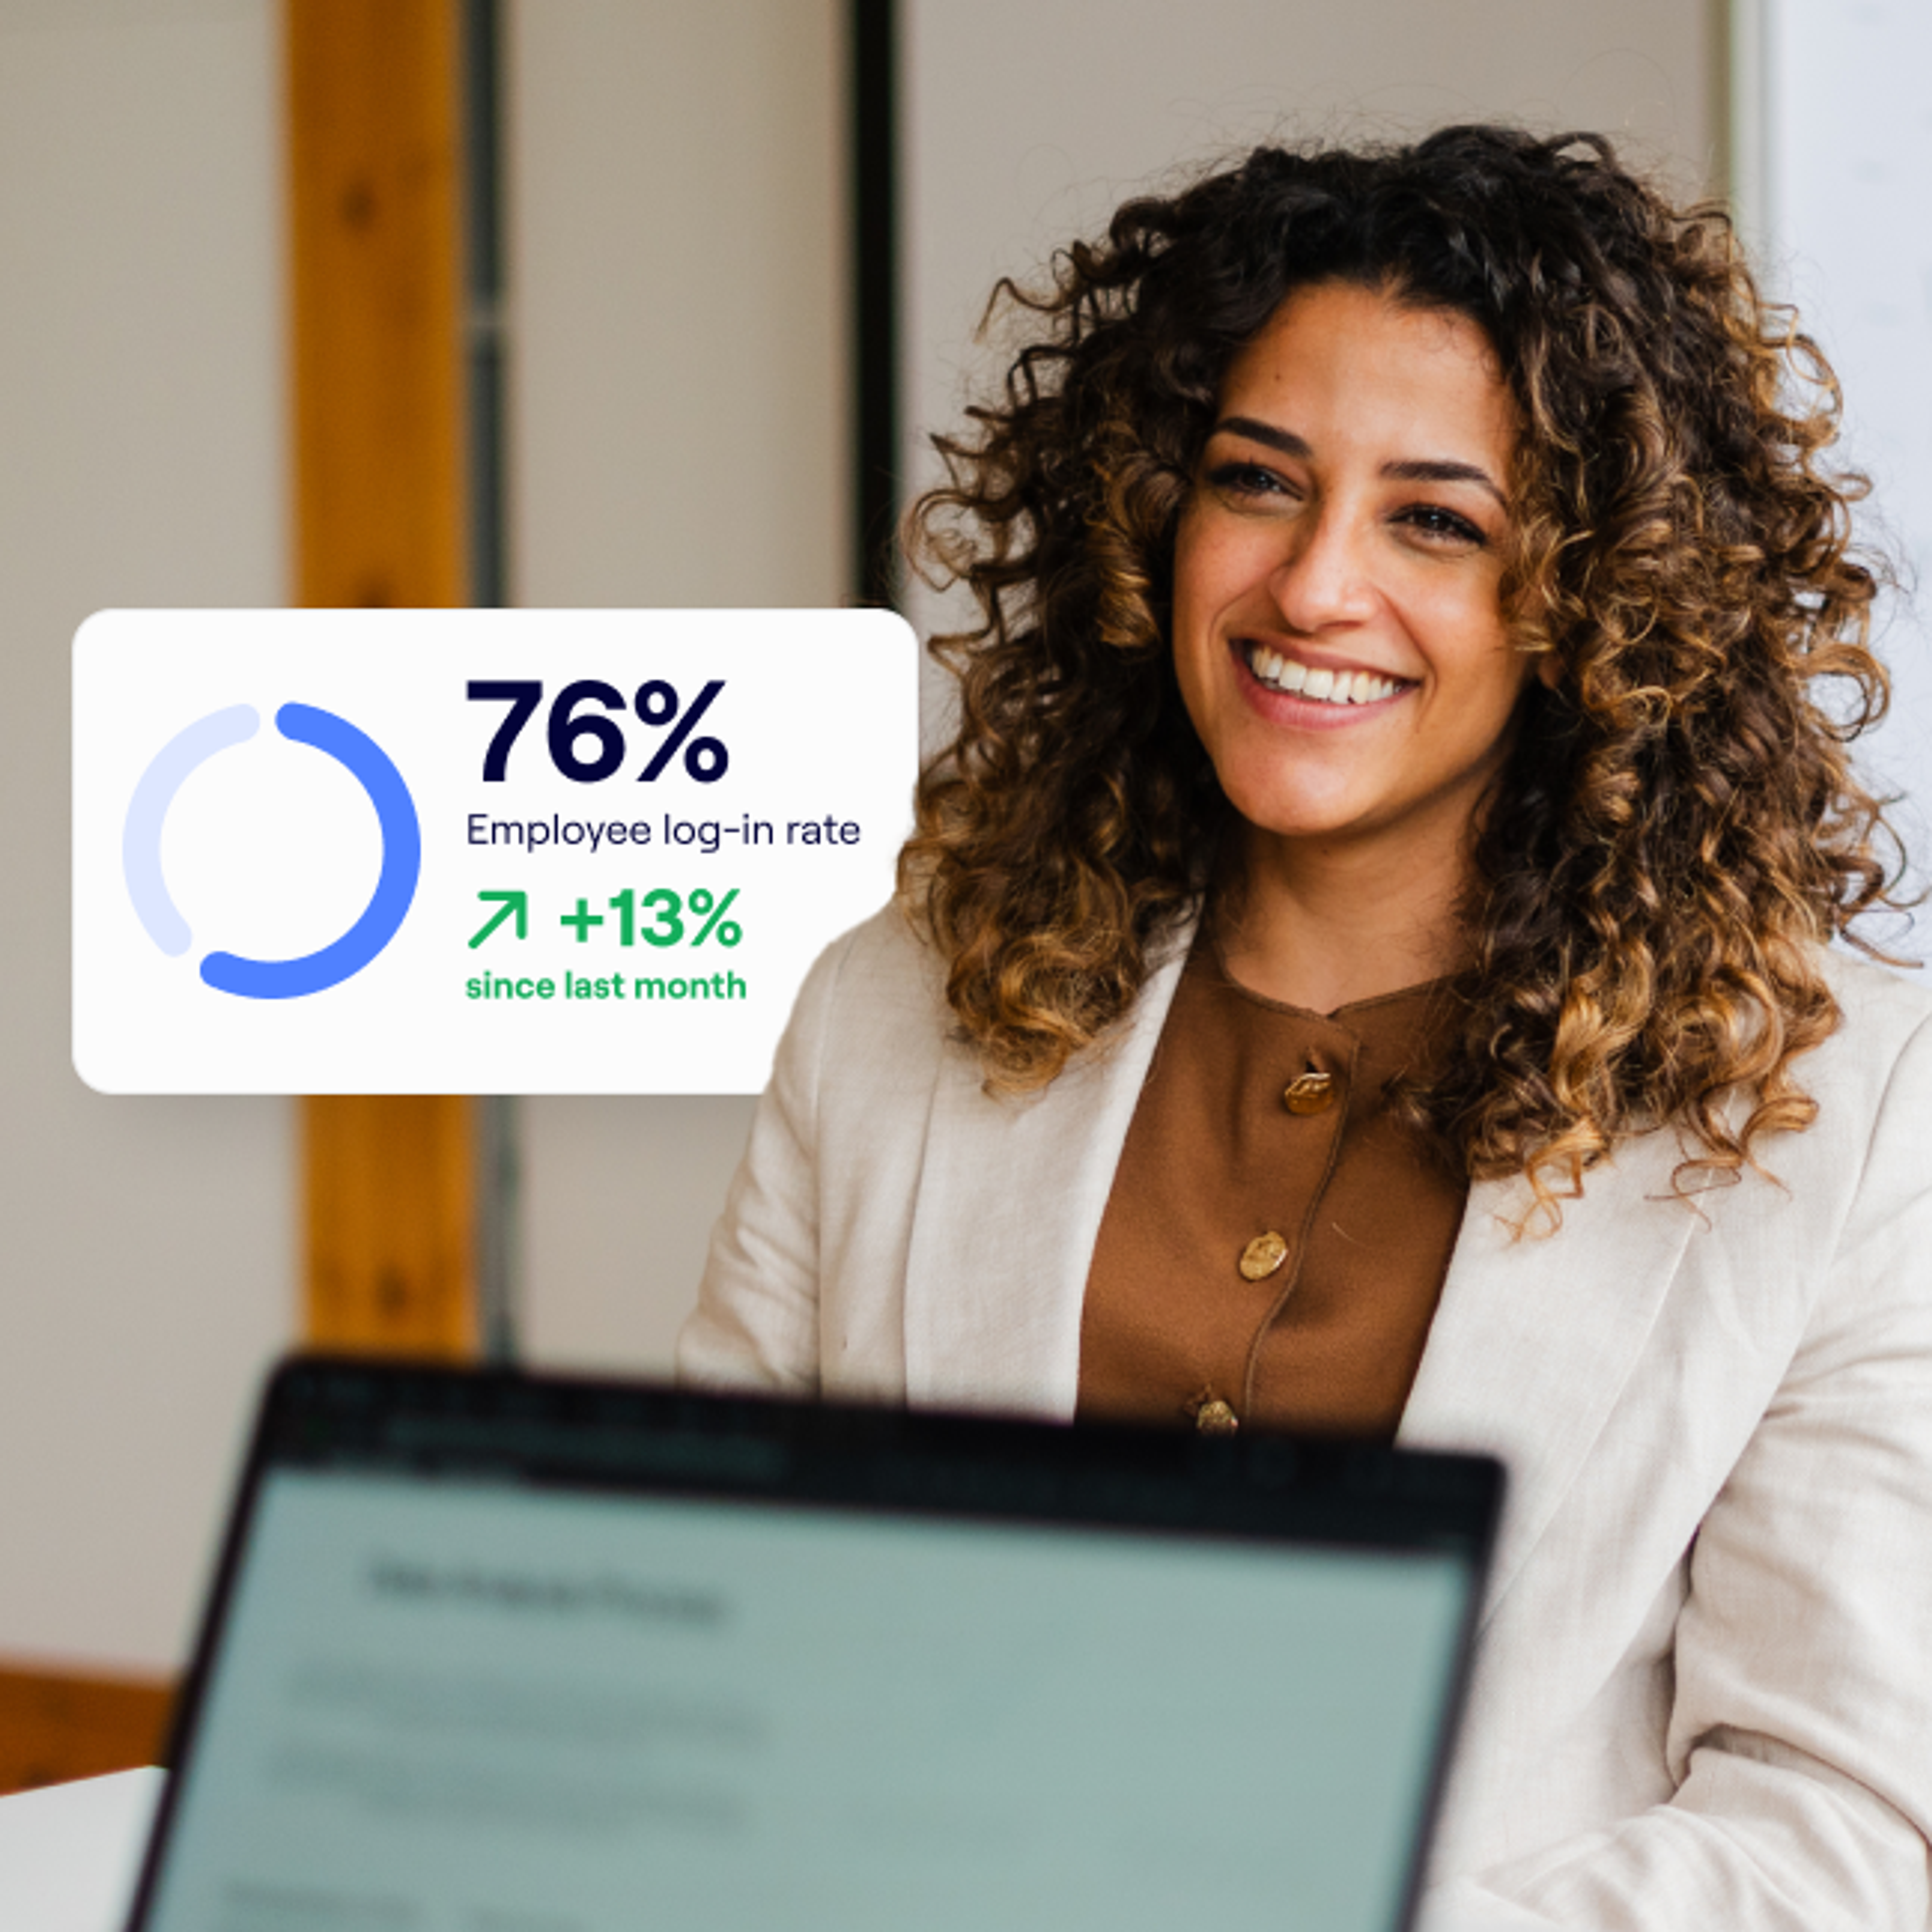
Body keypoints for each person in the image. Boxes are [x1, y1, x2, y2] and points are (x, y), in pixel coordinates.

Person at [680, 125, 1932, 1928]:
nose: (1316, 586)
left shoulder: (1848, 1105)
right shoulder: (886, 1012)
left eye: (1437, 520)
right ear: (1155, 518)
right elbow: (719, 1647)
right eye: (1258, 482)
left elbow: (1841, 1831)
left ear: (1594, 600)